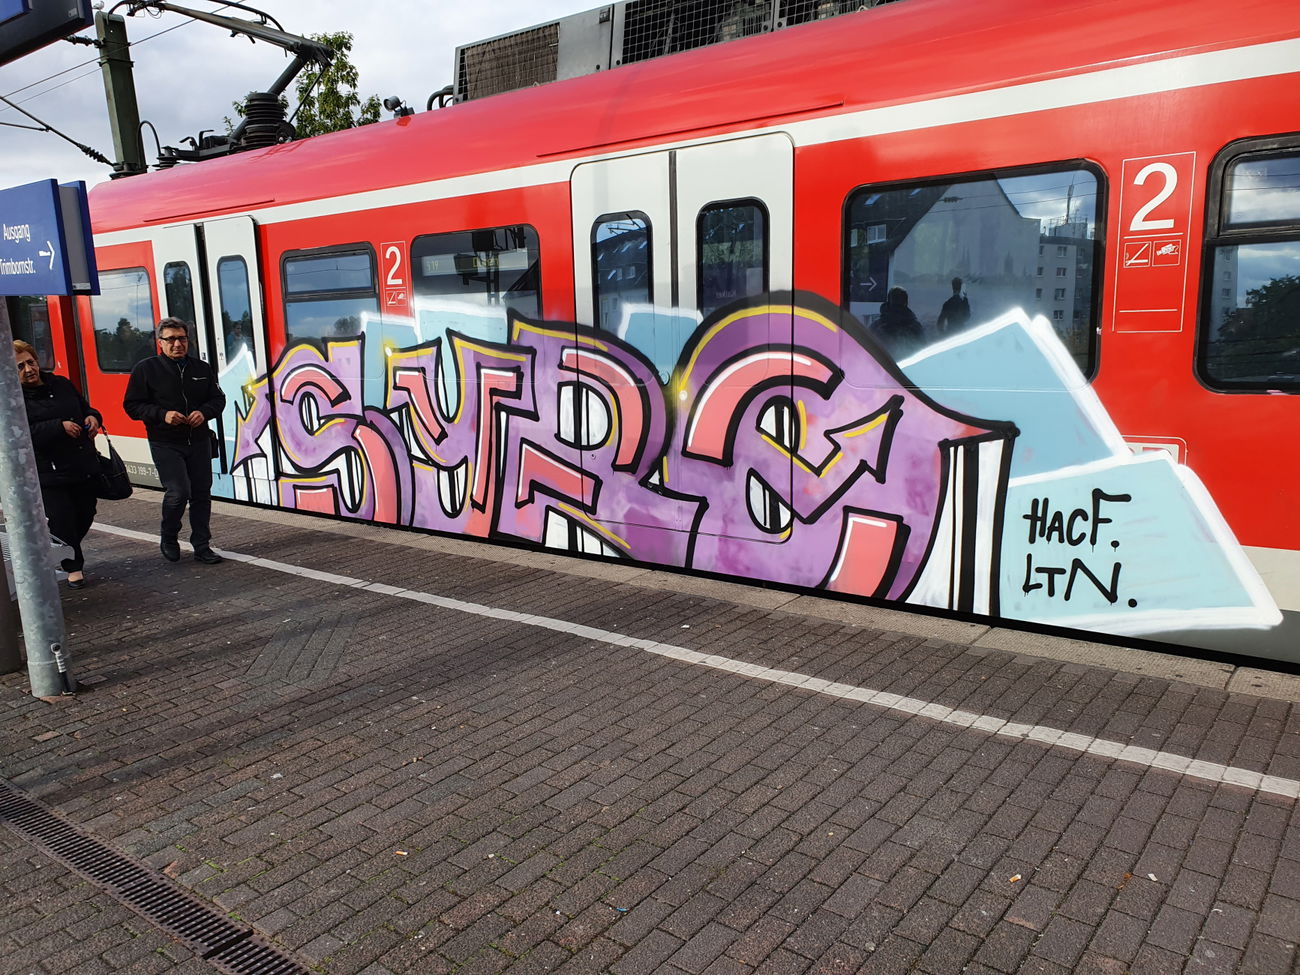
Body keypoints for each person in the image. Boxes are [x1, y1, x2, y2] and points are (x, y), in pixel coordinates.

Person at [123, 318, 226, 565]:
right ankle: (169, 536)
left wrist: (205, 412)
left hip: (199, 440)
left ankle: (202, 545)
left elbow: (218, 399)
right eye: (170, 339)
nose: (177, 344)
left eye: (181, 338)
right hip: (165, 441)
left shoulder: (202, 369)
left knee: (201, 494)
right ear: (160, 343)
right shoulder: (146, 369)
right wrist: (162, 415)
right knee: (179, 492)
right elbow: (132, 406)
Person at [16, 340, 103, 589]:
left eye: (31, 362)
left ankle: (61, 549)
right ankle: (73, 567)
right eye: (20, 366)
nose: (29, 369)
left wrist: (93, 417)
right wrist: (57, 426)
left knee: (86, 512)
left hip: (81, 464)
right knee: (62, 517)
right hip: (47, 471)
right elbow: (20, 433)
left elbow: (86, 407)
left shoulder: (61, 383)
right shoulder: (13, 398)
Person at [872, 286, 925, 357]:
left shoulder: (876, 325)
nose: (898, 302)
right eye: (896, 299)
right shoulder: (915, 326)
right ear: (906, 302)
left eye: (900, 299)